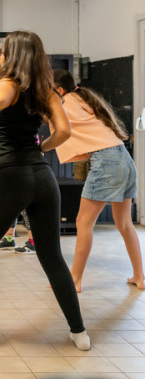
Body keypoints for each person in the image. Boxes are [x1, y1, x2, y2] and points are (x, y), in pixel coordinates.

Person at [0, 31, 89, 353]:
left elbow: (0, 99)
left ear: (11, 55)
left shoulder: (9, 82)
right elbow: (64, 131)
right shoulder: (45, 90)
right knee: (52, 255)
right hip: (42, 177)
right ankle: (80, 333)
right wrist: (42, 148)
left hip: (12, 177)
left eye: (2, 51)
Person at [53, 69, 142, 293]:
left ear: (59, 90)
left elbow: (57, 128)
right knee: (124, 223)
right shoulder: (82, 98)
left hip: (106, 162)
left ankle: (74, 281)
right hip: (124, 158)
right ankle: (140, 277)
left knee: (83, 223)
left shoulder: (66, 103)